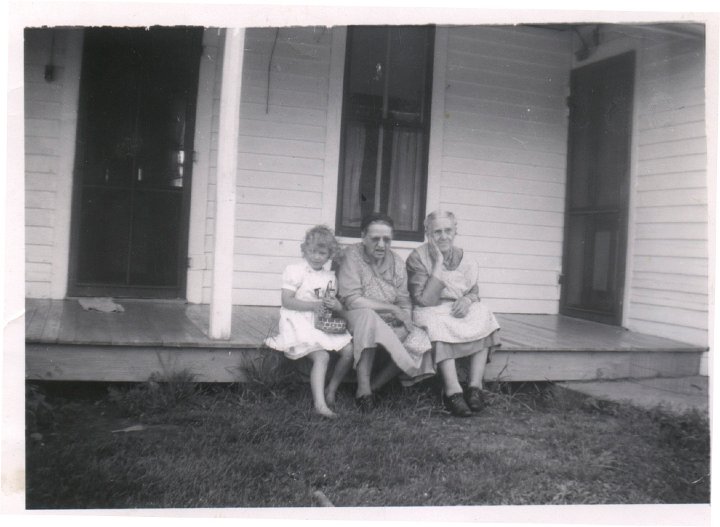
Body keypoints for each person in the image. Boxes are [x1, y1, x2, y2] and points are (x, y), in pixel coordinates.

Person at [406, 210, 501, 417]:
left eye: (448, 230)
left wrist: (467, 300)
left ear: (455, 231)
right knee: (437, 322)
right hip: (430, 308)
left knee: (483, 313)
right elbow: (423, 300)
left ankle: (475, 387)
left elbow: (473, 290)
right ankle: (453, 392)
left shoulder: (464, 257)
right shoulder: (417, 258)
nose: (443, 236)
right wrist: (438, 264)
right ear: (427, 233)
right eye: (437, 232)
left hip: (457, 307)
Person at [335, 213, 430, 413]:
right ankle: (362, 388)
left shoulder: (397, 262)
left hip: (386, 320)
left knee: (419, 339)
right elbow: (352, 300)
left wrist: (404, 323)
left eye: (386, 239)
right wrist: (392, 309)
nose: (381, 245)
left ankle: (374, 388)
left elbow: (404, 300)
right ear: (363, 236)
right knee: (368, 319)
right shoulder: (351, 255)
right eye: (375, 239)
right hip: (353, 315)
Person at [264, 225, 354, 418]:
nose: (316, 257)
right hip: (298, 318)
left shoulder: (329, 277)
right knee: (322, 357)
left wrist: (332, 303)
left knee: (348, 351)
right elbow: (286, 300)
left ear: (330, 254)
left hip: (320, 319)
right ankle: (320, 405)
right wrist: (313, 306)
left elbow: (327, 302)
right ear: (305, 250)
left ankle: (331, 390)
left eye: (322, 253)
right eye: (312, 252)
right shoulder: (295, 271)